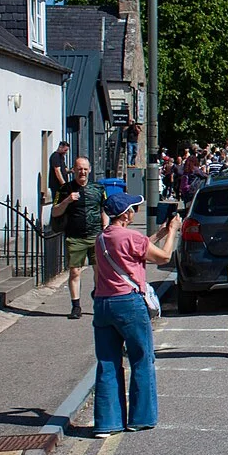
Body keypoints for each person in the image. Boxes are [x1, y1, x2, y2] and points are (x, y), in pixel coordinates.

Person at [91, 192, 179, 437]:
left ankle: (107, 423)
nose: (135, 213)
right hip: (129, 303)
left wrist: (158, 234)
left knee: (108, 363)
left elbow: (131, 250)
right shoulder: (131, 236)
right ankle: (140, 418)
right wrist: (172, 232)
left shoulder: (101, 238)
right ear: (126, 213)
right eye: (133, 209)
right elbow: (163, 257)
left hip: (103, 302)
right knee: (141, 359)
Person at [51, 157, 108, 320]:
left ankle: (98, 300)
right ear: (73, 170)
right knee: (75, 271)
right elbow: (55, 212)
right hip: (75, 237)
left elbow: (104, 210)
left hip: (95, 235)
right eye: (79, 169)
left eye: (84, 169)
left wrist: (105, 228)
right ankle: (76, 306)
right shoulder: (65, 189)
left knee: (98, 270)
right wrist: (68, 200)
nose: (82, 172)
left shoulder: (98, 188)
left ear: (89, 170)